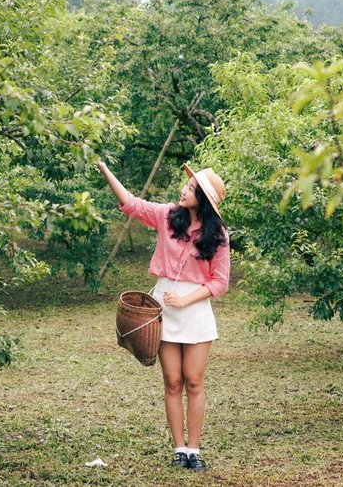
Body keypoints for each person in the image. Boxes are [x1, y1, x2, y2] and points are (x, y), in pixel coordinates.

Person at [96, 160, 230, 472]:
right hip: (163, 307)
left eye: (191, 188)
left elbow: (219, 282)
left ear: (204, 200)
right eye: (187, 185)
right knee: (172, 381)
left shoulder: (218, 235)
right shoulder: (168, 217)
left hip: (194, 309)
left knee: (194, 381)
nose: (184, 190)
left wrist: (186, 299)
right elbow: (131, 203)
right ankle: (179, 449)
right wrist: (105, 169)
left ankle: (195, 450)